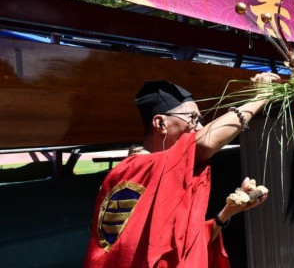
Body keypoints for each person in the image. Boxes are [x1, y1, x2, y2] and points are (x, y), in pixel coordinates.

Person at [83, 73, 280, 268]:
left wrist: (226, 214)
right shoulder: (137, 168)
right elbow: (203, 144)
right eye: (193, 119)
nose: (199, 127)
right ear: (161, 123)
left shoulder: (152, 171)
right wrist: (261, 97)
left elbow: (173, 244)